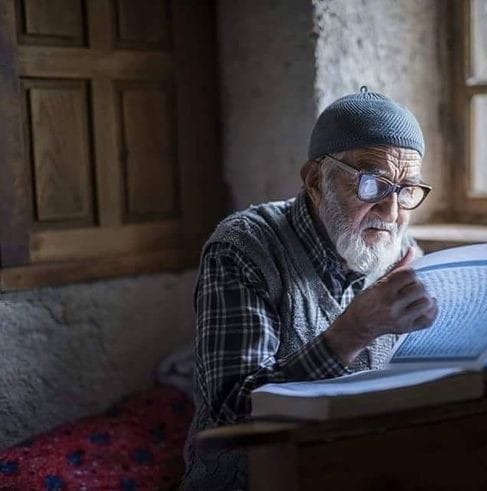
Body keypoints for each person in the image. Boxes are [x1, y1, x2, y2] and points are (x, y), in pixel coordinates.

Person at [181, 87, 438, 489]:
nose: (391, 212)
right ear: (316, 180)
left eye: (406, 190)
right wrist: (353, 332)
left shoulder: (404, 254)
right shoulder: (243, 248)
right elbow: (234, 407)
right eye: (373, 184)